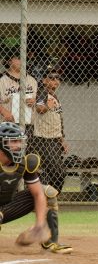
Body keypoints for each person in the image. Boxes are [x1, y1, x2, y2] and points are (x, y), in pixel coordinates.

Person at [32, 66, 72, 253]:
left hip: (54, 141)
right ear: (44, 80)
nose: (55, 81)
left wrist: (62, 139)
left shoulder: (56, 96)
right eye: (51, 78)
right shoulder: (42, 93)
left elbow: (58, 119)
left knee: (56, 176)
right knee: (57, 173)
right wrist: (46, 104)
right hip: (43, 141)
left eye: (57, 78)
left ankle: (47, 203)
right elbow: (40, 109)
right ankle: (46, 203)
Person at [0, 122, 48, 245]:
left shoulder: (24, 163)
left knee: (47, 192)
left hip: (3, 209)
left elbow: (38, 194)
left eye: (20, 141)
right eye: (14, 141)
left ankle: (48, 239)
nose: (19, 145)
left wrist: (39, 225)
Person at [0, 47, 38, 153]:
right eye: (18, 57)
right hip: (8, 123)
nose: (22, 60)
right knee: (9, 155)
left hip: (28, 124)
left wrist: (34, 101)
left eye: (24, 57)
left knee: (27, 153)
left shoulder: (32, 80)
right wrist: (3, 111)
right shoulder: (2, 81)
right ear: (9, 60)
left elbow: (39, 100)